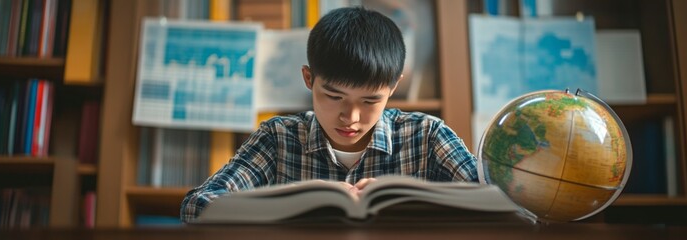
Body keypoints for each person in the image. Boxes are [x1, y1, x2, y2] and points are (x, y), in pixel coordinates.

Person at [180, 6, 477, 223]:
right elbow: (197, 207)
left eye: (371, 100)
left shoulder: (427, 136)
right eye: (334, 97)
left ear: (393, 87)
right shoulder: (278, 138)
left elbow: (507, 205)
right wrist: (297, 196)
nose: (351, 117)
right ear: (309, 79)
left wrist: (415, 202)